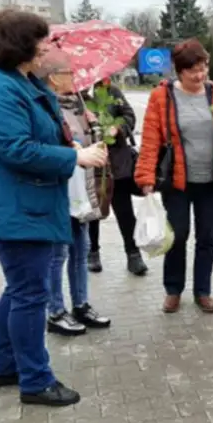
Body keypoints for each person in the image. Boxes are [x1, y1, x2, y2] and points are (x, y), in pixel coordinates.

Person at [0, 8, 107, 407]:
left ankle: (5, 365)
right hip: (14, 209)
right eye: (41, 40)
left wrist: (72, 146)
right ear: (21, 44)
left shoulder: (22, 82)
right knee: (31, 295)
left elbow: (41, 133)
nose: (47, 47)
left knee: (19, 290)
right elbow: (16, 149)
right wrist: (73, 160)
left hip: (27, 205)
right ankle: (35, 380)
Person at [135, 38, 213, 314]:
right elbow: (149, 139)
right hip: (177, 181)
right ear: (179, 70)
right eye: (193, 69)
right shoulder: (162, 97)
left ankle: (203, 291)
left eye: (203, 67)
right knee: (178, 235)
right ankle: (173, 289)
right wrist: (145, 176)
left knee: (207, 237)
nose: (200, 74)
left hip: (211, 180)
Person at [35, 49, 112, 336]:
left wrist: (94, 125)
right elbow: (52, 145)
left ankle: (81, 303)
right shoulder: (47, 107)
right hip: (61, 190)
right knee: (58, 254)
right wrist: (76, 145)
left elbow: (91, 140)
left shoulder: (77, 104)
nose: (75, 78)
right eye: (69, 73)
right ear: (54, 78)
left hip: (83, 187)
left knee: (80, 250)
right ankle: (55, 310)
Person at [83, 78, 147, 276]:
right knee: (93, 209)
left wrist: (118, 128)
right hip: (90, 161)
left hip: (117, 163)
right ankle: (92, 252)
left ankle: (133, 254)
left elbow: (129, 116)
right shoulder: (75, 97)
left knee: (124, 210)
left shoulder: (111, 91)